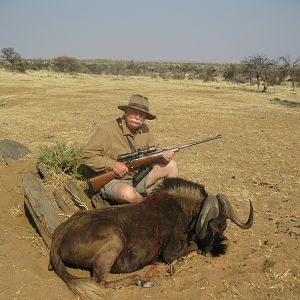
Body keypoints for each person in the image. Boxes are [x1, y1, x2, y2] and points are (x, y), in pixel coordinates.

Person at [80, 94, 178, 204]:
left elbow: (152, 156)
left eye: (142, 115)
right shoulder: (107, 130)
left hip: (139, 177)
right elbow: (86, 156)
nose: (137, 117)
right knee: (128, 193)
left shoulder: (145, 129)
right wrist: (113, 165)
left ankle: (169, 204)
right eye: (134, 112)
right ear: (125, 112)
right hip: (114, 180)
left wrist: (163, 157)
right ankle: (148, 207)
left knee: (171, 165)